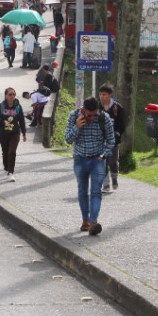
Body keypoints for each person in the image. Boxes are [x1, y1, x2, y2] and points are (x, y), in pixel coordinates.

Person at [65, 96, 115, 236]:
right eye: (89, 115)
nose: (92, 118)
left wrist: (104, 155)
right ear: (84, 110)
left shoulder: (103, 118)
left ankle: (94, 222)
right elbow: (68, 139)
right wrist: (77, 127)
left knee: (96, 191)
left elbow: (111, 140)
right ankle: (85, 221)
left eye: (94, 114)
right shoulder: (73, 116)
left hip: (97, 160)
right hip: (80, 159)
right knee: (82, 191)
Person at [0, 87, 27, 181]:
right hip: (3, 133)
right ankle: (6, 167)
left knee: (12, 152)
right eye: (10, 94)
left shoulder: (17, 106)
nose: (12, 96)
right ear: (6, 96)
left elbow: (21, 120)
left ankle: (11, 172)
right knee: (5, 152)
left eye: (14, 94)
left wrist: (24, 133)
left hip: (15, 133)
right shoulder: (1, 106)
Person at [98, 84, 127, 192]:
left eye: (104, 94)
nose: (102, 97)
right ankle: (105, 185)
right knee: (102, 162)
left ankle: (114, 178)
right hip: (100, 140)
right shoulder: (97, 108)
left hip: (114, 140)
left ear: (110, 95)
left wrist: (118, 133)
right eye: (100, 94)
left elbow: (122, 124)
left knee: (112, 162)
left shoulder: (117, 108)